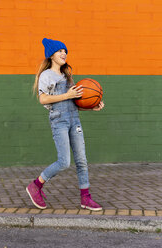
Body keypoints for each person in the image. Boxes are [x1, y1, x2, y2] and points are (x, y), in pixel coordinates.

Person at [26, 38, 105, 211]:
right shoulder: (46, 75)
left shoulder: (67, 76)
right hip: (59, 121)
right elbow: (43, 99)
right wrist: (67, 95)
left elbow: (74, 103)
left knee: (82, 161)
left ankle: (86, 198)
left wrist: (92, 106)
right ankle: (35, 186)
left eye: (65, 51)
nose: (64, 53)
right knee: (64, 162)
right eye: (60, 51)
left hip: (74, 119)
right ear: (51, 55)